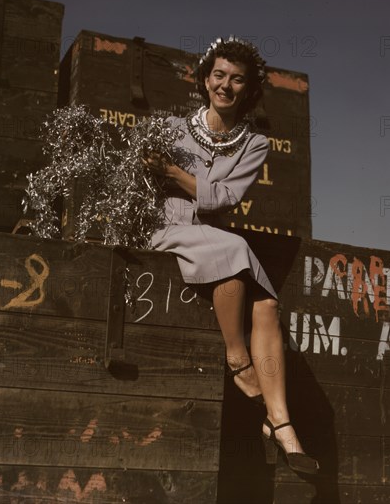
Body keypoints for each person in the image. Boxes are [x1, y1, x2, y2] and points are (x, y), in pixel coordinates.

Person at [143, 36, 319, 475]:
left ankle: (282, 424)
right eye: (219, 76)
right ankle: (238, 359)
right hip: (169, 229)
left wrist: (173, 173)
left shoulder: (254, 144)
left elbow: (223, 199)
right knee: (237, 251)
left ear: (248, 89)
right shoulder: (170, 129)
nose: (226, 86)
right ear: (205, 81)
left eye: (237, 80)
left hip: (213, 236)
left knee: (268, 303)